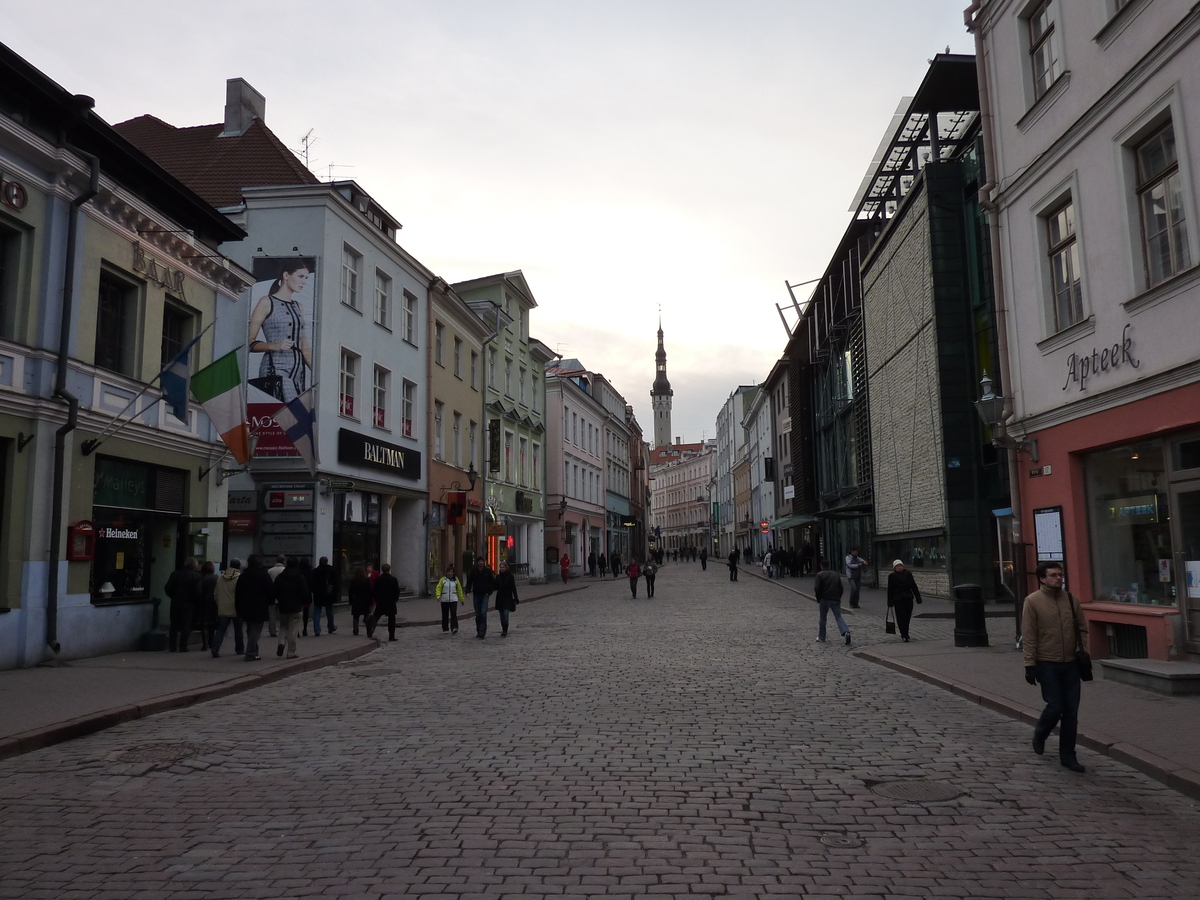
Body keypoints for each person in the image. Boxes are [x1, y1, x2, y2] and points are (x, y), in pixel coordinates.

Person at [1023, 562, 1088, 773]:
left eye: (1060, 575)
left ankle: (1068, 756)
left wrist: (1082, 650)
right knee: (1055, 706)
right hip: (1046, 662)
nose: (1059, 578)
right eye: (1053, 575)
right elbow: (1030, 635)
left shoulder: (1071, 599)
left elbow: (1081, 628)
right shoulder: (1032, 601)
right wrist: (1029, 664)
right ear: (1042, 578)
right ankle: (1041, 733)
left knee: (1071, 712)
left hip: (1070, 663)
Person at [247, 258, 313, 403]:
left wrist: (319, 372)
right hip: (275, 367)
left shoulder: (299, 306)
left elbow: (305, 347)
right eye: (300, 276)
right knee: (290, 413)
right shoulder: (266, 302)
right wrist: (274, 345)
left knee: (295, 417)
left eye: (306, 278)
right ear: (286, 276)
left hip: (298, 371)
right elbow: (248, 342)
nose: (304, 281)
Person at [234, 555, 273, 661]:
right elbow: (270, 591)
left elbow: (238, 592)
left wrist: (238, 607)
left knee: (250, 629)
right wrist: (270, 602)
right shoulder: (264, 575)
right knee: (255, 630)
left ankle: (254, 651)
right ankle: (250, 653)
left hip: (245, 606)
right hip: (259, 606)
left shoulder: (243, 575)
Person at [274, 557, 310, 659]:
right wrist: (305, 602)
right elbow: (305, 592)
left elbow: (275, 591)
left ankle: (281, 643)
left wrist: (280, 599)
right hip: (296, 606)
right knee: (293, 629)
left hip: (283, 605)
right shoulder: (300, 577)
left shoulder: (280, 577)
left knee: (283, 626)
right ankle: (291, 652)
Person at [165, 557, 202, 652]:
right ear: (195, 565)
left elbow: (168, 588)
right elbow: (197, 592)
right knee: (186, 624)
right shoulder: (196, 576)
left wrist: (173, 596)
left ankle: (172, 646)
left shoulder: (175, 574)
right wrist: (196, 602)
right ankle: (183, 646)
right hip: (189, 603)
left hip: (176, 601)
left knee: (174, 624)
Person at [210, 558, 244, 658]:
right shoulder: (239, 578)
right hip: (236, 608)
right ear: (238, 566)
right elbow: (241, 594)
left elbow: (215, 594)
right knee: (238, 630)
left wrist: (219, 603)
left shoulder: (220, 577)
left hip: (223, 608)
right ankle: (239, 649)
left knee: (221, 630)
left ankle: (215, 648)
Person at [814, 558, 851, 645]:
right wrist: (838, 597)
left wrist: (818, 598)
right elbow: (841, 588)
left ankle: (822, 637)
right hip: (835, 599)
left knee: (823, 618)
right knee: (838, 617)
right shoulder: (836, 574)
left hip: (824, 598)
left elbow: (817, 588)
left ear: (821, 565)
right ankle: (846, 632)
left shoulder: (820, 575)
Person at [886, 559, 922, 642]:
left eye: (900, 566)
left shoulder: (908, 574)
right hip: (898, 599)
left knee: (907, 617)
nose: (899, 567)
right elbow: (890, 589)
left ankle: (906, 632)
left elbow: (913, 586)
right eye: (897, 566)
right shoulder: (892, 576)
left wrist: (918, 597)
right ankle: (903, 634)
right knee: (900, 617)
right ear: (894, 568)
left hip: (908, 598)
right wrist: (889, 601)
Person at [368, 562, 401, 641]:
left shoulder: (378, 580)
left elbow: (374, 591)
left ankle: (371, 629)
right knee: (391, 619)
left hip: (381, 601)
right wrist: (395, 599)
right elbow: (397, 591)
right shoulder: (393, 579)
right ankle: (391, 636)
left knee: (376, 617)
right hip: (390, 602)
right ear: (389, 570)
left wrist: (377, 599)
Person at [465, 558, 496, 639]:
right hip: (476, 595)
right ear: (477, 563)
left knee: (483, 612)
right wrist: (467, 591)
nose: (480, 563)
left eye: (481, 561)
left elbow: (492, 582)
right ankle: (479, 630)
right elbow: (469, 582)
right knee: (478, 614)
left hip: (485, 595)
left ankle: (482, 631)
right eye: (479, 561)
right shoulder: (474, 571)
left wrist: (489, 592)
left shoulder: (487, 571)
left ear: (484, 562)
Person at [309, 556, 339, 635]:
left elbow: (311, 584)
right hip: (328, 594)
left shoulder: (315, 571)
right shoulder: (332, 570)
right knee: (329, 611)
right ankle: (331, 627)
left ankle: (317, 630)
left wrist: (314, 591)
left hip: (318, 594)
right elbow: (336, 583)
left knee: (317, 612)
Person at [435, 564, 465, 635]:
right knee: (445, 614)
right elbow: (438, 588)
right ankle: (445, 628)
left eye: (451, 572)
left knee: (453, 614)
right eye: (448, 572)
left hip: (453, 599)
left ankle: (454, 627)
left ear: (453, 573)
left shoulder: (456, 580)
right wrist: (438, 596)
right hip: (444, 600)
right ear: (446, 573)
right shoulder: (443, 580)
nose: (450, 573)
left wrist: (462, 599)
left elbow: (459, 590)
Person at [494, 561, 519, 637]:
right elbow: (495, 586)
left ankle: (505, 629)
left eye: (503, 567)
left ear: (506, 568)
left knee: (505, 614)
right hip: (500, 598)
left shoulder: (510, 576)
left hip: (508, 598)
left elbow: (513, 588)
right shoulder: (498, 577)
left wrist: (516, 598)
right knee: (501, 615)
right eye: (501, 567)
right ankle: (503, 628)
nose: (502, 569)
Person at [198, 560, 218, 651]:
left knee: (204, 624)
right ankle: (211, 642)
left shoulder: (201, 578)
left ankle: (205, 643)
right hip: (214, 602)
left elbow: (198, 591)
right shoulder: (216, 578)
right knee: (212, 623)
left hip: (203, 602)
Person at [266, 554, 286, 638]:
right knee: (284, 614)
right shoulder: (285, 570)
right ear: (283, 561)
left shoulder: (270, 571)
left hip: (272, 595)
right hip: (283, 595)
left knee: (272, 614)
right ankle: (283, 630)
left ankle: (272, 631)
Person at [348, 566, 372, 635]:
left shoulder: (353, 580)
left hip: (356, 599)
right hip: (365, 600)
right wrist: (370, 601)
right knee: (366, 615)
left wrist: (350, 601)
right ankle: (368, 630)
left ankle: (355, 630)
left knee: (356, 616)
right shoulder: (366, 580)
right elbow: (369, 591)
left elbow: (351, 591)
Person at [298, 557, 314, 635]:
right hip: (307, 594)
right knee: (306, 612)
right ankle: (305, 629)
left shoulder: (298, 571)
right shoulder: (310, 571)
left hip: (298, 594)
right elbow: (312, 583)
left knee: (298, 612)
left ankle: (296, 630)